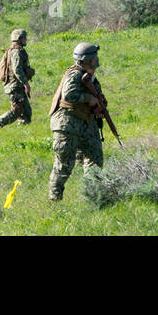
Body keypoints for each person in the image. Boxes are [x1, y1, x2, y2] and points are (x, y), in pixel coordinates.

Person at [47, 42, 107, 201]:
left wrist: (99, 106)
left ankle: (93, 196)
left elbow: (98, 98)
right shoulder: (74, 74)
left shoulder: (91, 77)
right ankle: (55, 200)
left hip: (85, 123)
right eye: (95, 58)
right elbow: (69, 95)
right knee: (64, 165)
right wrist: (89, 99)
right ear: (89, 60)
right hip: (67, 124)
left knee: (95, 159)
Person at [0, 28, 35, 128]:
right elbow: (17, 70)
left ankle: (22, 132)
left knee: (26, 112)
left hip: (17, 85)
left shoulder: (16, 50)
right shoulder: (16, 52)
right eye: (24, 38)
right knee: (16, 111)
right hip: (15, 86)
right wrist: (25, 83)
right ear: (19, 39)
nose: (26, 40)